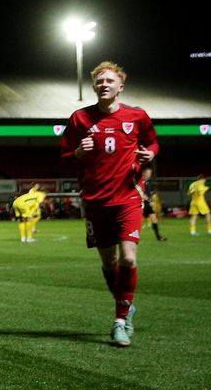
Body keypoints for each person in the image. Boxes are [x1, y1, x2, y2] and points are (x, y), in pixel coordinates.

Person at [60, 61, 158, 347]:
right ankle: (126, 305)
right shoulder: (80, 118)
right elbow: (65, 155)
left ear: (120, 87)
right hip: (95, 199)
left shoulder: (137, 116)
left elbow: (153, 143)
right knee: (109, 262)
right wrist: (78, 152)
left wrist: (149, 155)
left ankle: (119, 321)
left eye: (109, 81)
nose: (104, 84)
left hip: (128, 196)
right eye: (99, 81)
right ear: (94, 87)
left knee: (128, 258)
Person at [139, 168, 166, 241]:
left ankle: (158, 237)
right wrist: (149, 200)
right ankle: (133, 237)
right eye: (148, 173)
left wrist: (150, 200)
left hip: (147, 204)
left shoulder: (146, 182)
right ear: (143, 173)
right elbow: (140, 194)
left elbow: (147, 193)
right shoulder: (139, 182)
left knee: (154, 219)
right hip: (140, 204)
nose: (149, 175)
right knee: (138, 222)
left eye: (150, 173)